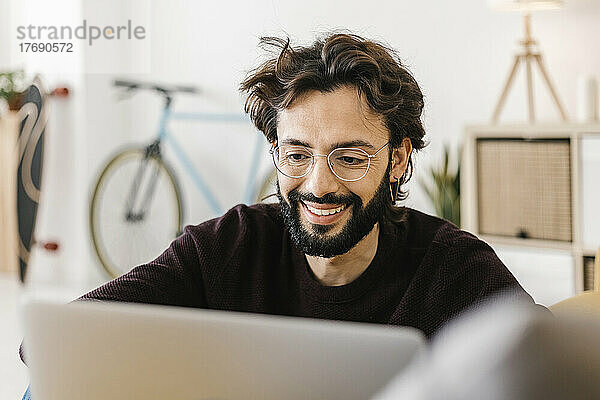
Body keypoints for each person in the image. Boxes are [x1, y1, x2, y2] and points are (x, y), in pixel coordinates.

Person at [20, 32, 534, 371]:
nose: (317, 185)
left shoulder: (450, 266)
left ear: (398, 159)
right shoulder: (227, 247)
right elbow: (59, 341)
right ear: (275, 150)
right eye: (297, 154)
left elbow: (558, 368)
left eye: (350, 157)